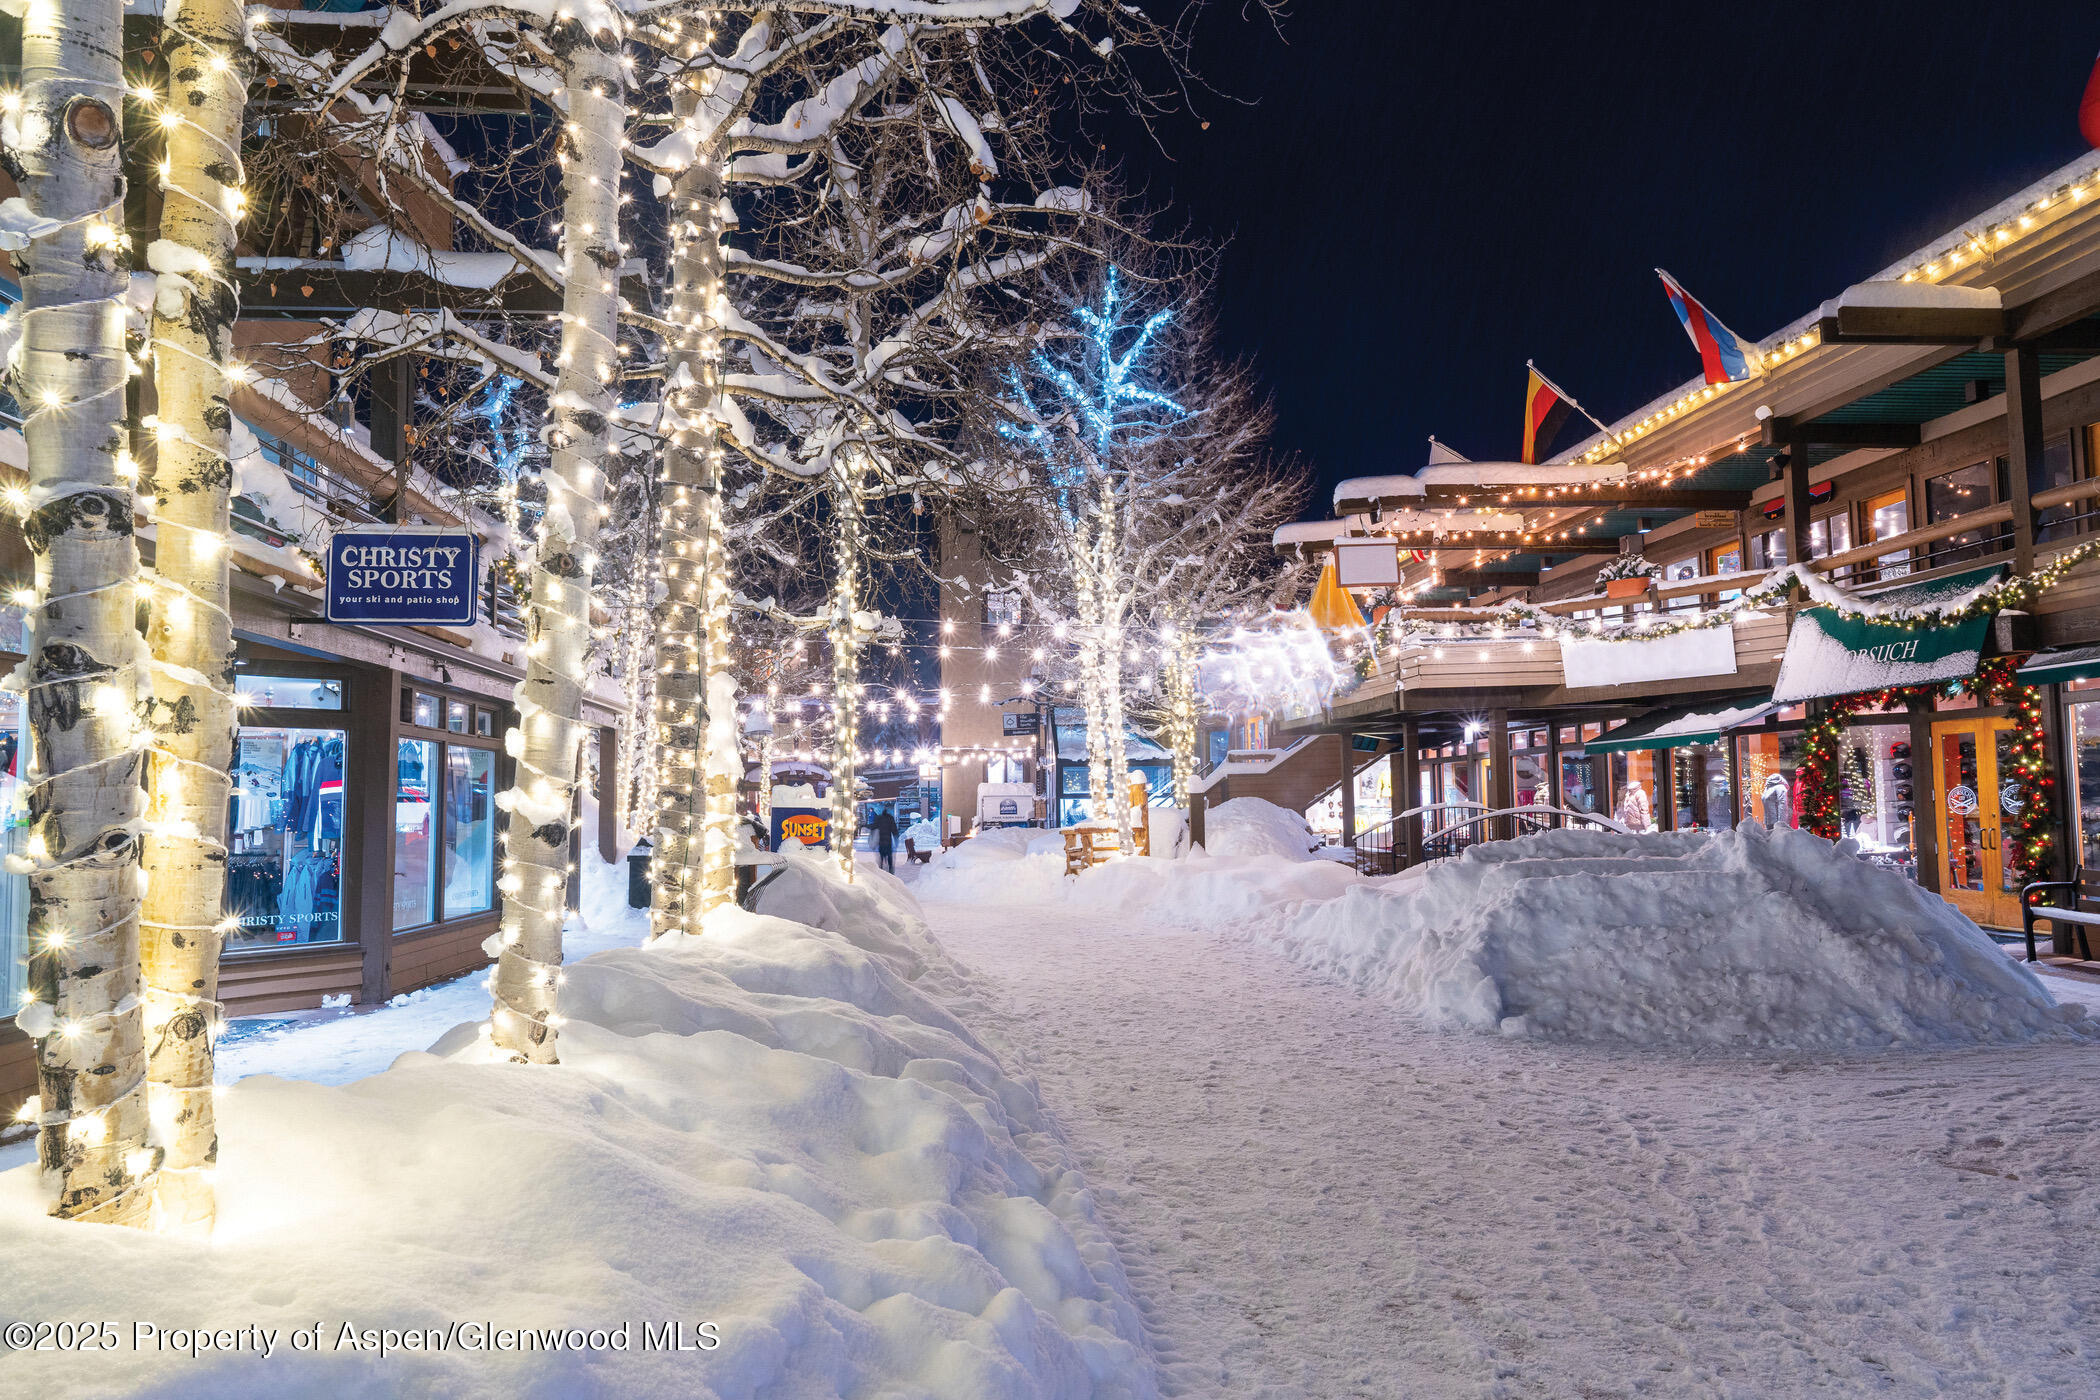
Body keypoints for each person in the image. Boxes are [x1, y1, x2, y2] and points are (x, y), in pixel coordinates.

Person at [869, 806, 898, 873]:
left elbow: (873, 827)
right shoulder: (890, 818)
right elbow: (894, 830)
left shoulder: (879, 818)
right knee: (889, 855)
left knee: (881, 855)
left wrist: (871, 832)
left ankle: (881, 869)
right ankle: (890, 869)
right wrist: (895, 836)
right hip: (888, 841)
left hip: (881, 841)